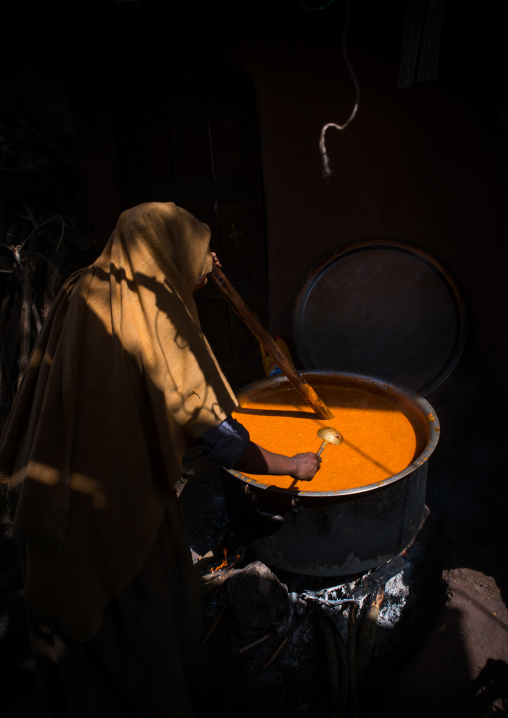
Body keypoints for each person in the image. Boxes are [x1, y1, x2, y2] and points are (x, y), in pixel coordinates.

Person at [0, 201, 320, 717]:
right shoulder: (148, 310)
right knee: (134, 639)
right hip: (108, 509)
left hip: (50, 494)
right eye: (194, 250)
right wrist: (290, 465)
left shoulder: (87, 283)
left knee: (74, 652)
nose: (206, 263)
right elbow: (208, 430)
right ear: (166, 252)